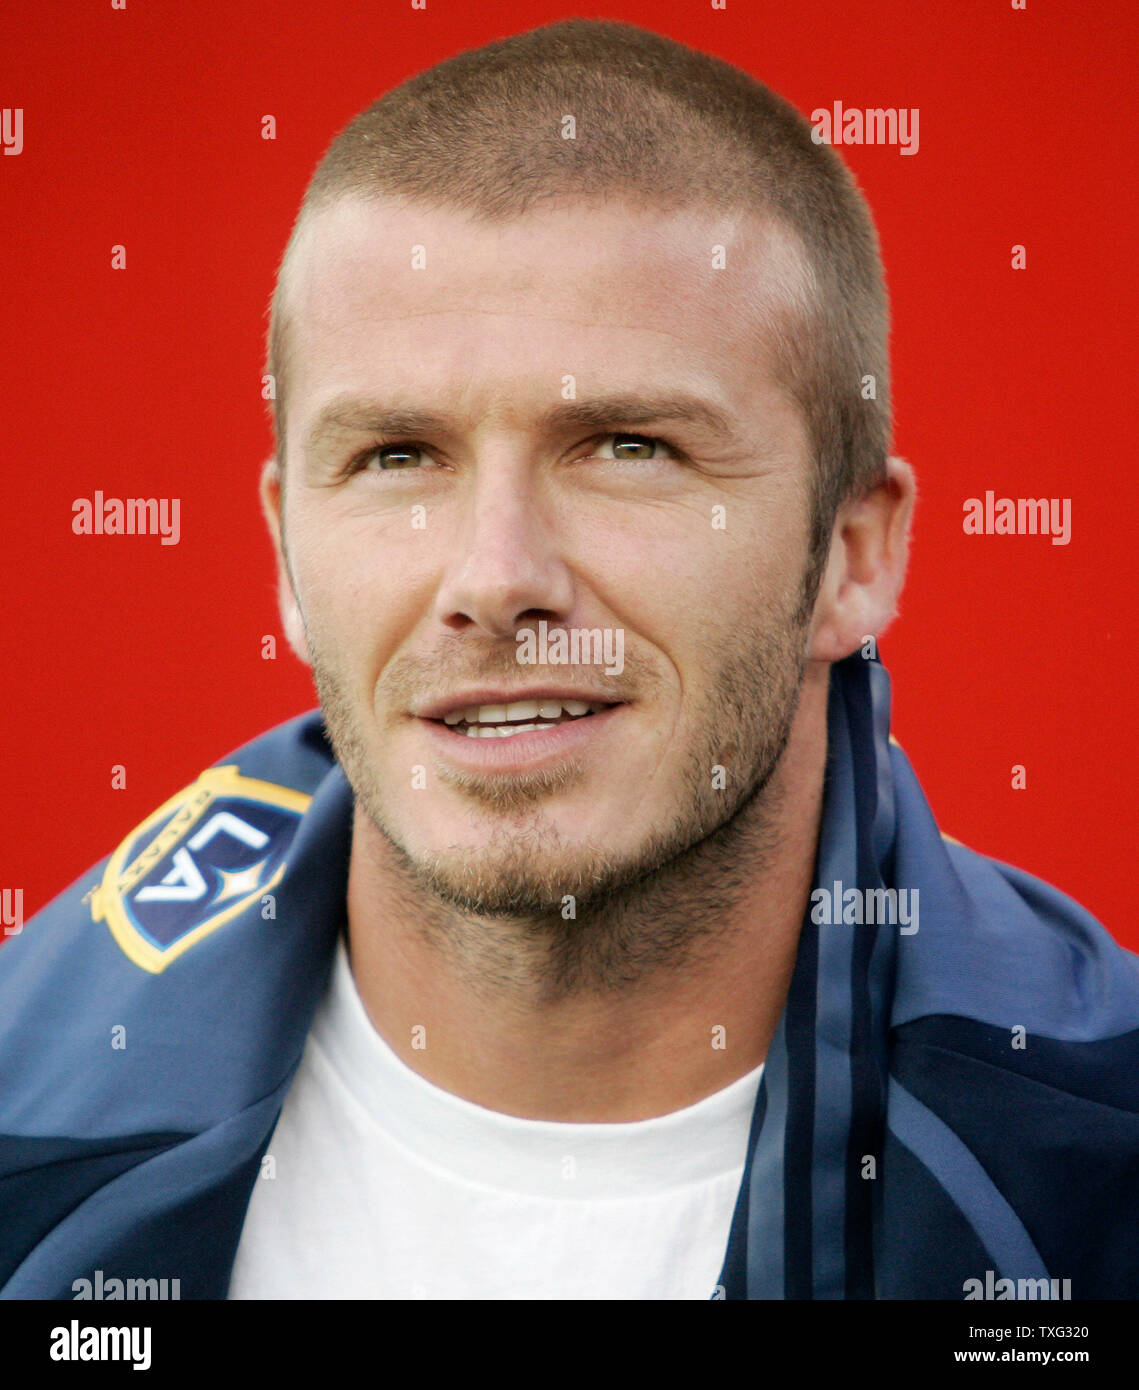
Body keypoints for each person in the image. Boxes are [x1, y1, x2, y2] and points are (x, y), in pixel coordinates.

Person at [3, 18, 1137, 1302]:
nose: (494, 579)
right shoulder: (23, 1117)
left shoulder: (1093, 1168)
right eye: (394, 457)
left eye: (627, 446)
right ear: (285, 556)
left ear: (852, 554)